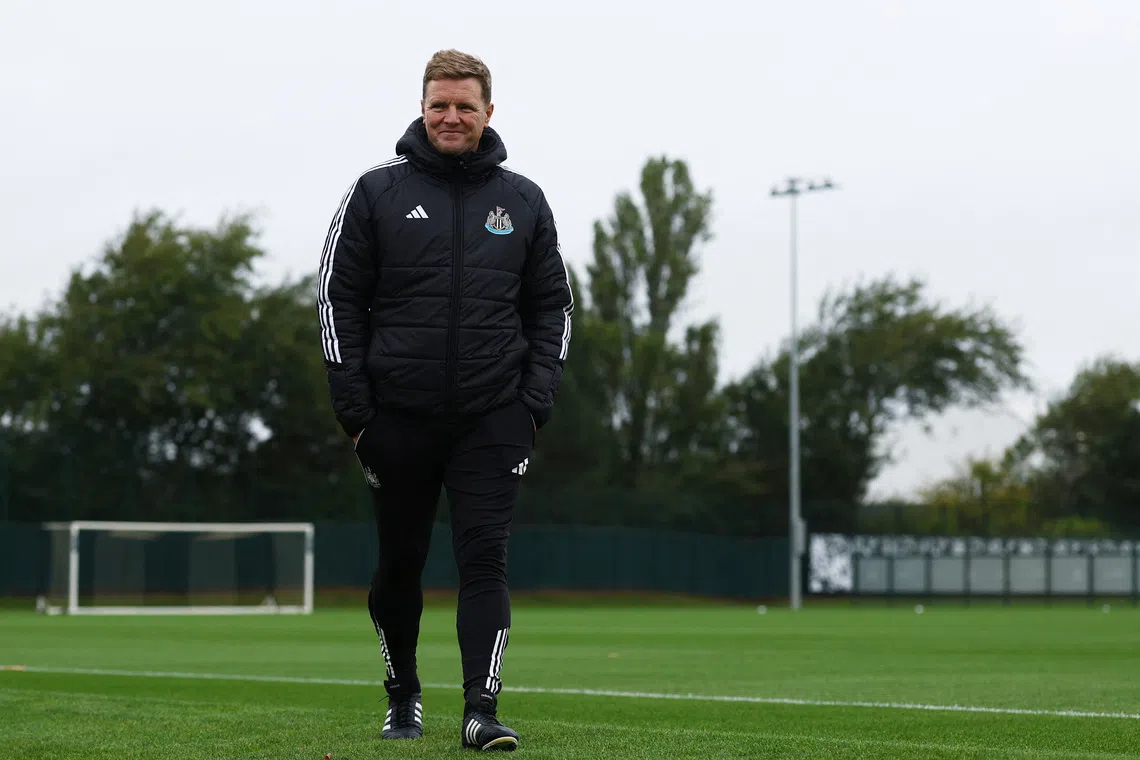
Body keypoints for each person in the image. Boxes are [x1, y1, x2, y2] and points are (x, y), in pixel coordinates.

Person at [316, 49, 573, 751]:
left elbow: (553, 306)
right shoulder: (375, 192)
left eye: (464, 105)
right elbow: (338, 301)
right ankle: (403, 697)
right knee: (400, 562)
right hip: (396, 417)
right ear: (421, 108)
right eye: (439, 105)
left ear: (489, 112)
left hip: (494, 416)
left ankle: (481, 710)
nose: (451, 117)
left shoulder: (523, 200)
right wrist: (358, 414)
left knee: (484, 558)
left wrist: (532, 400)